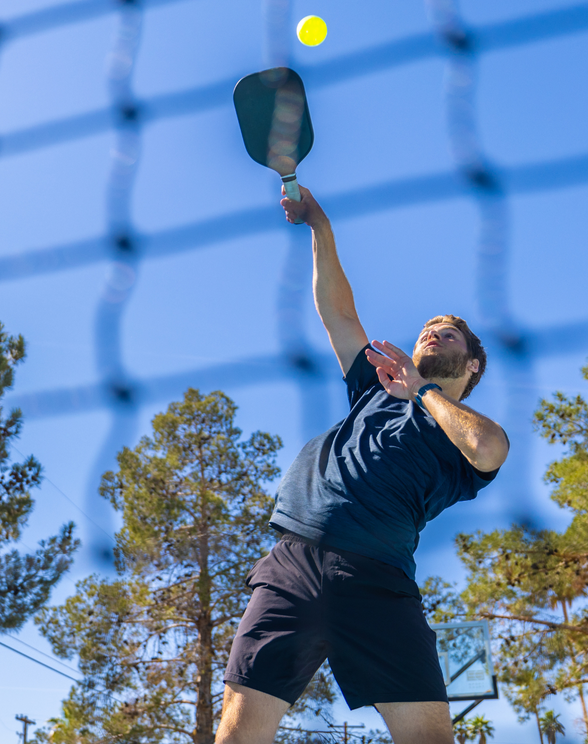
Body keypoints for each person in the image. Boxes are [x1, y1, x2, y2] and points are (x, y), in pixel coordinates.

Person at [216, 186, 510, 744]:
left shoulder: (458, 429)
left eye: (448, 332)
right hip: (291, 567)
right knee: (237, 733)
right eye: (429, 326)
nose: (432, 330)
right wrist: (320, 229)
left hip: (378, 579)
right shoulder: (370, 390)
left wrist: (421, 391)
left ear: (470, 365)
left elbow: (491, 449)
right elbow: (338, 313)